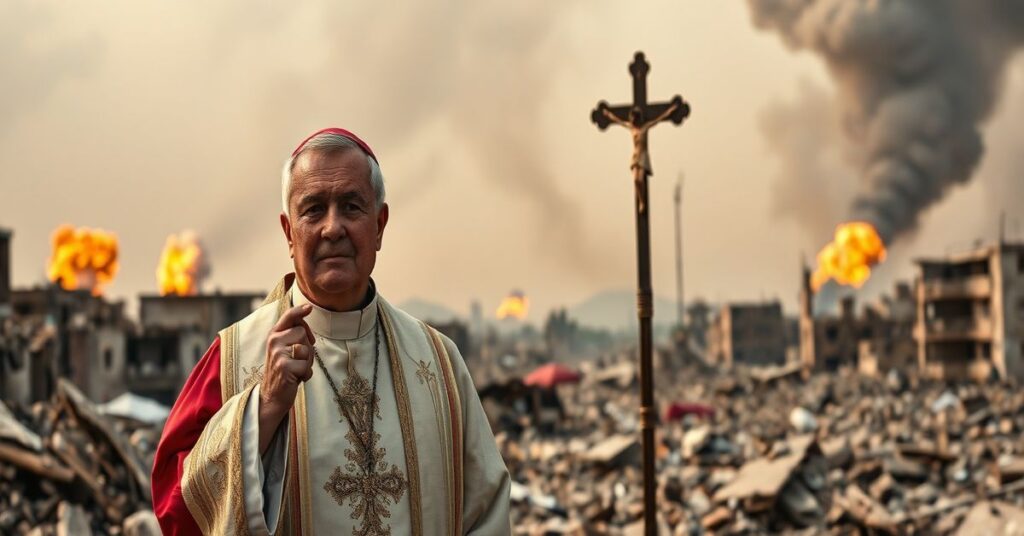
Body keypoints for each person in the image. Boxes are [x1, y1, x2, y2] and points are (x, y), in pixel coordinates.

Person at [151, 127, 511, 535]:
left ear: (379, 224)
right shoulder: (235, 356)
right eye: (314, 209)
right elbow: (176, 508)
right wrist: (264, 408)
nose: (332, 228)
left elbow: (487, 509)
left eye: (351, 207)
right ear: (289, 232)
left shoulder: (438, 364)